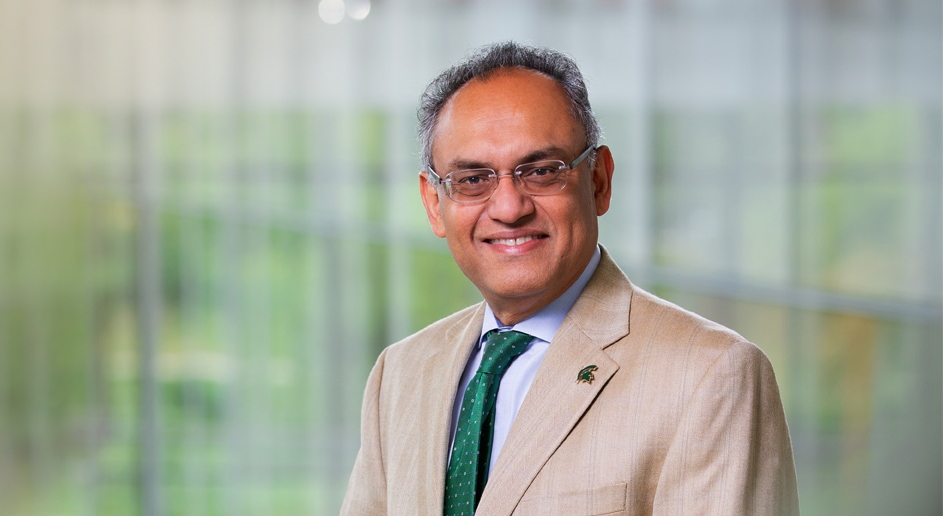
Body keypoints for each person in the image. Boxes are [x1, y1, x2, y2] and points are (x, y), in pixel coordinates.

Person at [340, 42, 799, 515]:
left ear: (599, 180)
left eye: (541, 171)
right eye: (473, 179)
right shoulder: (400, 373)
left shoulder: (711, 373)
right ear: (435, 203)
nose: (509, 208)